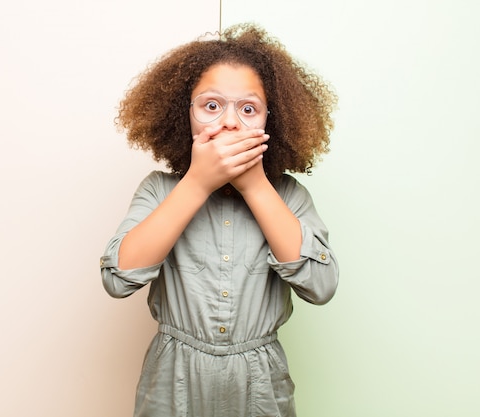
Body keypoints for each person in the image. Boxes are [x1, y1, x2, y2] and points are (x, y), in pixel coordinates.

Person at [100, 23, 339, 417]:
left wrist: (257, 186)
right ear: (185, 115)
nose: (229, 122)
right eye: (211, 106)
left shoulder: (288, 196)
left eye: (248, 109)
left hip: (261, 385)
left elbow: (322, 285)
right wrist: (196, 182)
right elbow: (117, 278)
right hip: (171, 383)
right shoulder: (161, 190)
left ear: (270, 122)